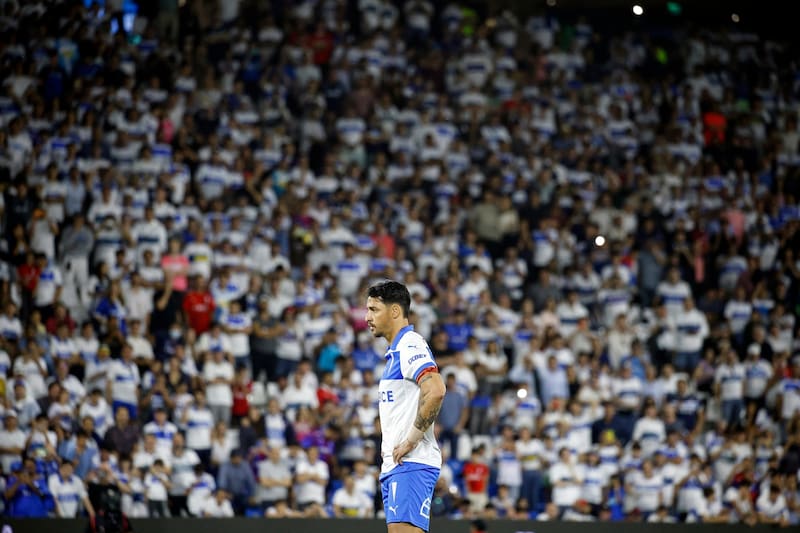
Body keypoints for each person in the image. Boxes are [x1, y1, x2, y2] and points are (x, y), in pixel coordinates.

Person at [364, 280, 446, 533]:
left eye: (374, 310)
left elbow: (436, 391)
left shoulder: (410, 344)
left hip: (411, 463)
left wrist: (411, 440)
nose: (367, 317)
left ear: (395, 311)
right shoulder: (396, 351)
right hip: (397, 467)